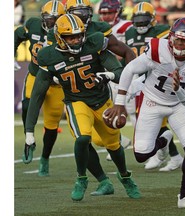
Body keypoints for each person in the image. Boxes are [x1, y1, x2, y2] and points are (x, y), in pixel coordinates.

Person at [23, 14, 141, 201]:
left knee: (114, 145)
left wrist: (108, 75)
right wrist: (29, 131)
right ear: (60, 37)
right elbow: (37, 94)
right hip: (76, 102)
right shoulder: (49, 56)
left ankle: (125, 176)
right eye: (71, 37)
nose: (77, 40)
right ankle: (81, 179)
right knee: (82, 138)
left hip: (102, 101)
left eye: (79, 35)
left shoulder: (94, 44)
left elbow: (120, 72)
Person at [107, 17, 185, 210]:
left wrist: (178, 90)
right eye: (178, 39)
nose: (180, 44)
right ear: (171, 37)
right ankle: (164, 141)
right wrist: (120, 102)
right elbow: (130, 69)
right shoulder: (158, 48)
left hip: (179, 105)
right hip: (151, 101)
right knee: (141, 155)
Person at [46, 0, 137, 162]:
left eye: (85, 12)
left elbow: (125, 51)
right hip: (74, 88)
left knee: (105, 132)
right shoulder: (56, 32)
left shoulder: (98, 30)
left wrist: (127, 77)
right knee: (85, 135)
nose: (83, 16)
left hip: (98, 84)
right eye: (77, 12)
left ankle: (121, 143)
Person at [124, 1, 184, 171]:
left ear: (152, 20)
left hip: (156, 81)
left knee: (153, 120)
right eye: (138, 20)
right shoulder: (129, 32)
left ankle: (160, 154)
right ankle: (174, 156)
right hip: (140, 79)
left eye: (144, 20)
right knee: (152, 121)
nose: (141, 24)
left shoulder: (162, 31)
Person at [15, 0, 66, 177]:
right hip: (36, 75)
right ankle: (29, 140)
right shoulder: (33, 25)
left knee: (51, 125)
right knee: (28, 105)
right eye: (48, 18)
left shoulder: (67, 32)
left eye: (55, 19)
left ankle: (45, 158)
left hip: (56, 82)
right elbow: (16, 35)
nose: (51, 22)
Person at [98, 0, 133, 161]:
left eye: (109, 13)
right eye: (103, 13)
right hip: (109, 74)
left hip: (126, 73)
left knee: (133, 111)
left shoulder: (127, 26)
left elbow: (127, 51)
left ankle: (153, 145)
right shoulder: (99, 27)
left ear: (117, 12)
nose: (106, 16)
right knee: (112, 109)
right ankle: (118, 141)